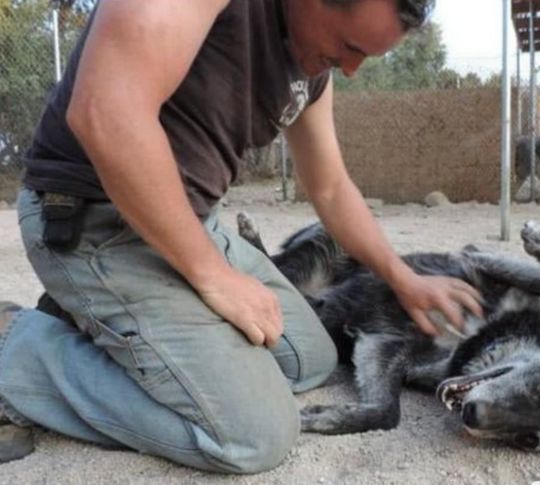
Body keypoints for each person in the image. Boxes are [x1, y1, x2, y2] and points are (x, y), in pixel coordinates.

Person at [0, 0, 482, 473]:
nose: (352, 69)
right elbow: (103, 111)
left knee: (309, 358)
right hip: (94, 219)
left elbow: (331, 188)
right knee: (252, 436)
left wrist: (403, 277)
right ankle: (17, 350)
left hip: (188, 226)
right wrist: (212, 276)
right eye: (349, 45)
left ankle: (105, 322)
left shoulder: (312, 68)